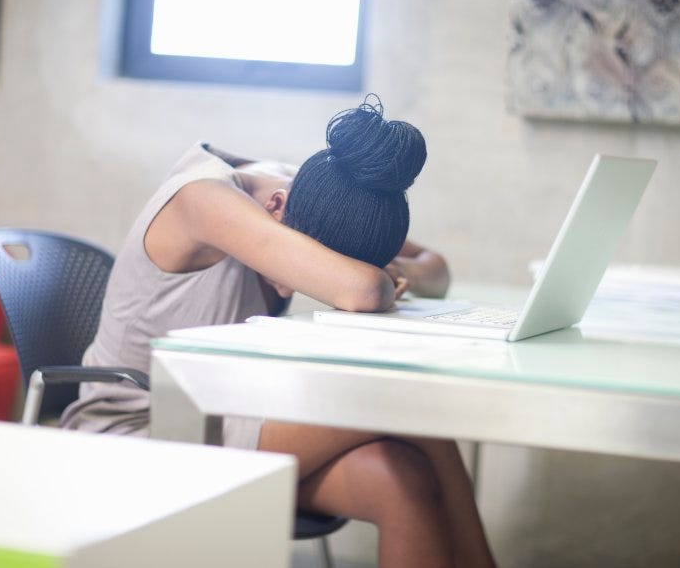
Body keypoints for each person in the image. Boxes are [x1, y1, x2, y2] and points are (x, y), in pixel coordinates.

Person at [60, 97, 496, 567]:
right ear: (276, 205)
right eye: (300, 262)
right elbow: (364, 290)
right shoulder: (201, 198)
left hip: (234, 414)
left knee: (402, 479)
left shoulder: (314, 192)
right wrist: (365, 277)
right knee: (409, 404)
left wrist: (384, 266)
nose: (295, 279)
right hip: (144, 432)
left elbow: (436, 270)